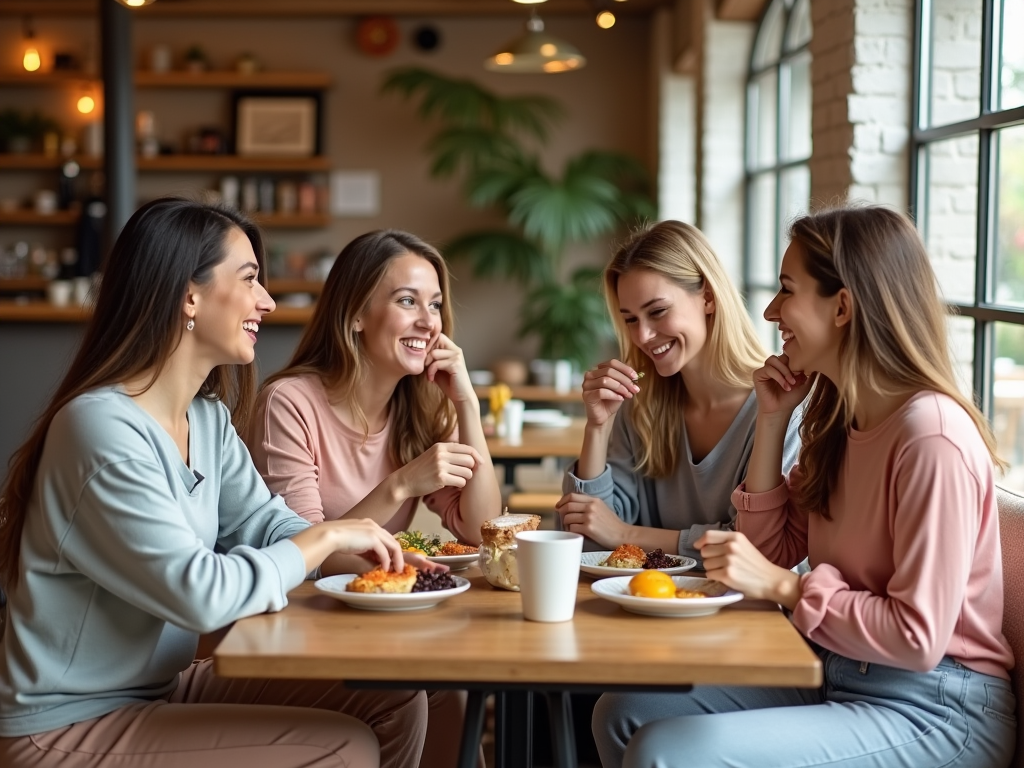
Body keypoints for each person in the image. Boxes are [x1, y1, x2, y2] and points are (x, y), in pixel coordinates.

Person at [0, 198, 430, 768]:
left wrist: (372, 558)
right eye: (250, 278)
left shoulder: (206, 420)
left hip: (157, 689)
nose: (268, 301)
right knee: (343, 749)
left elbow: (265, 523)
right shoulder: (100, 430)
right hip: (67, 722)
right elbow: (201, 595)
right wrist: (325, 539)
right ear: (189, 296)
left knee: (396, 697)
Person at [593, 206, 1017, 768]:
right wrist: (771, 420)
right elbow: (766, 551)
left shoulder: (929, 436)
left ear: (842, 306)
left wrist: (791, 591)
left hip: (936, 707)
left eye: (787, 290)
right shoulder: (838, 417)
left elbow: (918, 638)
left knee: (665, 751)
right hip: (837, 669)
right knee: (622, 712)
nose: (770, 310)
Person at [245, 229, 501, 768]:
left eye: (434, 305)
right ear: (356, 314)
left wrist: (467, 405)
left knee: (454, 693)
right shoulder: (289, 403)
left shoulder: (420, 409)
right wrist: (401, 485)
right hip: (300, 625)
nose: (428, 321)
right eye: (407, 301)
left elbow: (484, 532)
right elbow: (301, 555)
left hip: (380, 619)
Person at [556, 220, 801, 561]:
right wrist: (598, 427)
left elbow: (758, 550)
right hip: (645, 603)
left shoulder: (781, 404)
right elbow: (589, 541)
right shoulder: (640, 406)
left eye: (657, 311)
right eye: (630, 319)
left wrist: (626, 534)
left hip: (755, 612)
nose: (641, 336)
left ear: (709, 298)